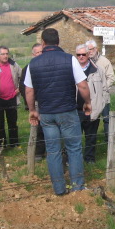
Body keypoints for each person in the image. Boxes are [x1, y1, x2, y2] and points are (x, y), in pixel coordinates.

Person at [24, 29, 90, 195]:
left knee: (52, 150)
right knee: (74, 148)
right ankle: (78, 186)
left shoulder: (34, 63)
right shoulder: (70, 60)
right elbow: (82, 85)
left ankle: (59, 189)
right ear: (58, 41)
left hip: (46, 113)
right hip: (67, 110)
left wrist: (32, 110)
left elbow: (29, 91)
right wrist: (88, 102)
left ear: (43, 43)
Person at [75, 44, 107, 163]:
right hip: (75, 109)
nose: (81, 57)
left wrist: (101, 104)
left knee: (91, 136)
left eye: (84, 54)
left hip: (93, 109)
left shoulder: (99, 70)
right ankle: (75, 159)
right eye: (79, 55)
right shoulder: (71, 70)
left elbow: (105, 88)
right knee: (74, 137)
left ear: (88, 55)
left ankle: (89, 159)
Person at [85, 39, 115, 143]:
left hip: (103, 97)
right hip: (90, 98)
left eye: (91, 49)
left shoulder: (104, 61)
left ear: (96, 49)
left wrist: (102, 88)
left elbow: (111, 77)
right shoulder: (85, 62)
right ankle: (91, 140)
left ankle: (109, 140)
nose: (89, 51)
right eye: (87, 50)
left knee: (106, 118)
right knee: (92, 119)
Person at [19, 44, 46, 160]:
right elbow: (23, 87)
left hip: (47, 101)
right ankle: (38, 152)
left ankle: (51, 151)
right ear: (33, 54)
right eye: (37, 53)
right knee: (38, 129)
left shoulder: (47, 66)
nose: (40, 54)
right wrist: (29, 104)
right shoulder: (28, 68)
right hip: (35, 103)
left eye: (41, 52)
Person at [0, 46, 22, 148]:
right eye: (3, 54)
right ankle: (2, 144)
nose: (6, 56)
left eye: (7, 53)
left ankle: (14, 143)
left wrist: (19, 88)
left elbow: (22, 76)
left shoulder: (13, 64)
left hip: (11, 97)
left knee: (12, 122)